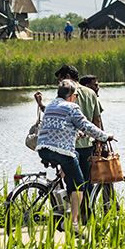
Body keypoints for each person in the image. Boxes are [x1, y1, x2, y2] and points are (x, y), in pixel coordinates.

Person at [34, 79, 112, 235]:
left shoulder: (50, 106)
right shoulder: (72, 107)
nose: (76, 98)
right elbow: (87, 125)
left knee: (73, 156)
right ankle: (74, 222)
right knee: (79, 185)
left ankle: (61, 197)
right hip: (60, 151)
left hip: (43, 149)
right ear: (71, 95)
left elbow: (59, 127)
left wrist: (76, 134)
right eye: (76, 95)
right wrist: (104, 136)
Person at [56, 63, 103, 185]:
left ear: (67, 76)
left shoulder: (65, 93)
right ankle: (86, 204)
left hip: (70, 144)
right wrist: (98, 143)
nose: (60, 83)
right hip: (88, 144)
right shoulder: (91, 93)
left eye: (61, 79)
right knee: (88, 181)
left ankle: (74, 204)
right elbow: (96, 120)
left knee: (71, 182)